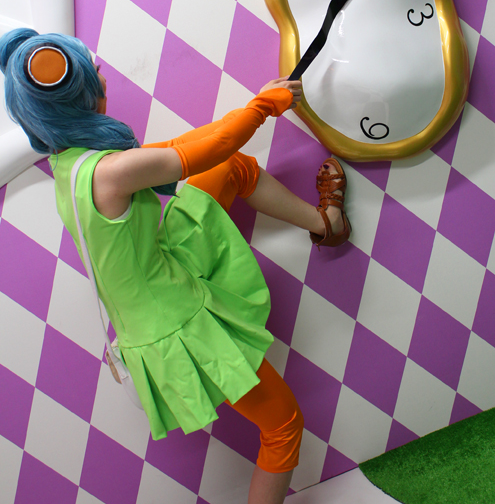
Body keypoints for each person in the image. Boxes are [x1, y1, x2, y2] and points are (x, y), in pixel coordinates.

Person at [0, 28, 351, 504]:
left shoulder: (71, 164)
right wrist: (263, 107)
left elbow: (189, 147)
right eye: (92, 71)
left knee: (231, 167)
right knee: (284, 426)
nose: (103, 73)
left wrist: (252, 107)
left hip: (162, 277)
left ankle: (326, 225)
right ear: (80, 96)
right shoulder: (109, 172)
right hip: (176, 323)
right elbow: (197, 152)